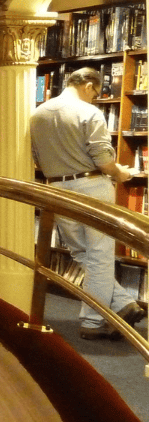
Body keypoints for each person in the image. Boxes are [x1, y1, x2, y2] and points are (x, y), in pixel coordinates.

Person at [31, 67, 146, 340]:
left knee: (81, 254)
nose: (95, 98)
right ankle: (94, 322)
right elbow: (104, 162)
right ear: (88, 85)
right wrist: (122, 173)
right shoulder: (88, 112)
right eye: (96, 93)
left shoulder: (38, 114)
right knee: (100, 256)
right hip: (91, 187)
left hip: (57, 188)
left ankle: (121, 304)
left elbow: (36, 157)